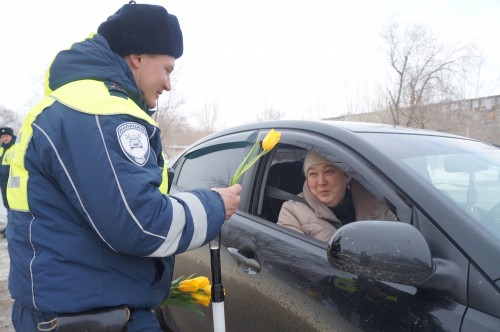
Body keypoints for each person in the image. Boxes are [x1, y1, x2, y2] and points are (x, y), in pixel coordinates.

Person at [6, 2, 241, 331]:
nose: (168, 84)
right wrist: (214, 205)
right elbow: (140, 223)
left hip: (75, 311)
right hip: (93, 320)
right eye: (167, 69)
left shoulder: (74, 106)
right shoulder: (98, 112)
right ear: (138, 57)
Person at [278, 151, 395, 242]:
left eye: (329, 171)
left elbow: (398, 242)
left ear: (346, 176)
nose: (321, 182)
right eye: (313, 174)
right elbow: (295, 262)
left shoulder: (374, 201)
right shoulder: (292, 211)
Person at [0, 127, 15, 236]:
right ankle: (10, 226)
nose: (4, 138)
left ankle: (14, 228)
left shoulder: (15, 148)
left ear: (11, 136)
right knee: (7, 205)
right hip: (3, 182)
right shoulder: (1, 149)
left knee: (13, 205)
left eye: (6, 136)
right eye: (2, 136)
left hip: (13, 182)